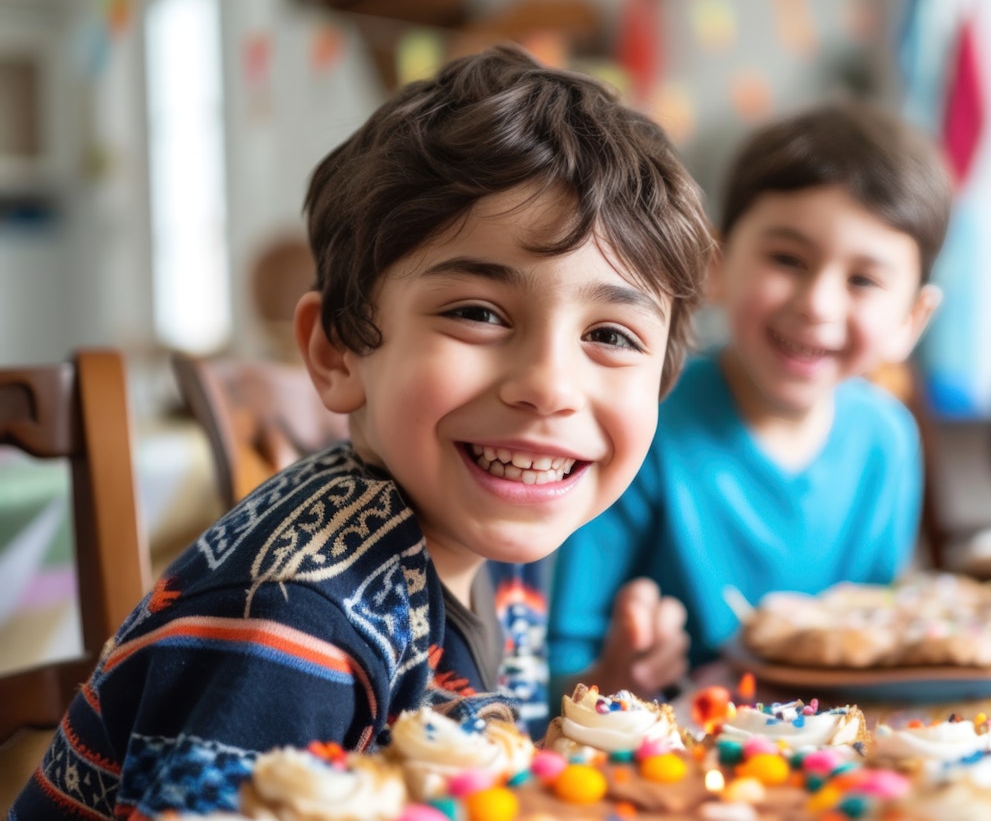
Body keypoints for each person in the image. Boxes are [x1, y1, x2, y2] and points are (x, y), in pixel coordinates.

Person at [12, 45, 714, 819]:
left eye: (612, 334)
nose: (549, 386)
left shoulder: (507, 537)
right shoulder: (295, 617)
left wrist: (607, 690)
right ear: (337, 349)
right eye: (477, 313)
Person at [547, 104, 949, 697]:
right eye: (787, 260)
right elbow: (558, 668)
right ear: (717, 263)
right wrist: (613, 675)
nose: (818, 305)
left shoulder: (886, 439)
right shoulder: (643, 423)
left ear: (911, 320)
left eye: (863, 280)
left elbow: (871, 643)